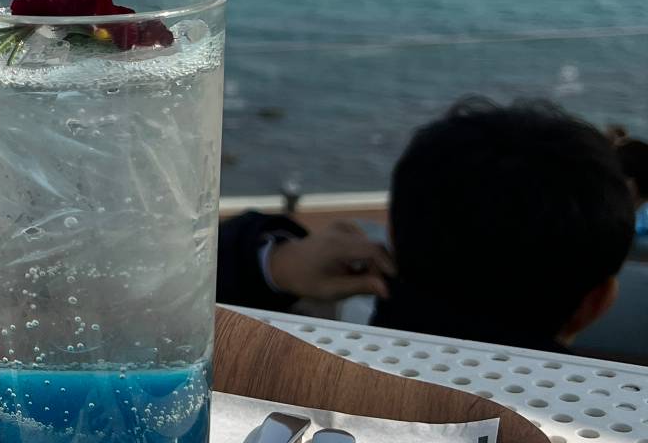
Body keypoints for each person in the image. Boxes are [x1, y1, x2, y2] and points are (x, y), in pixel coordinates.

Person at [218, 99, 635, 352]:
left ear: (392, 237)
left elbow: (180, 291)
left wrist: (274, 264)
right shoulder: (617, 423)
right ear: (598, 303)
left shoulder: (281, 369)